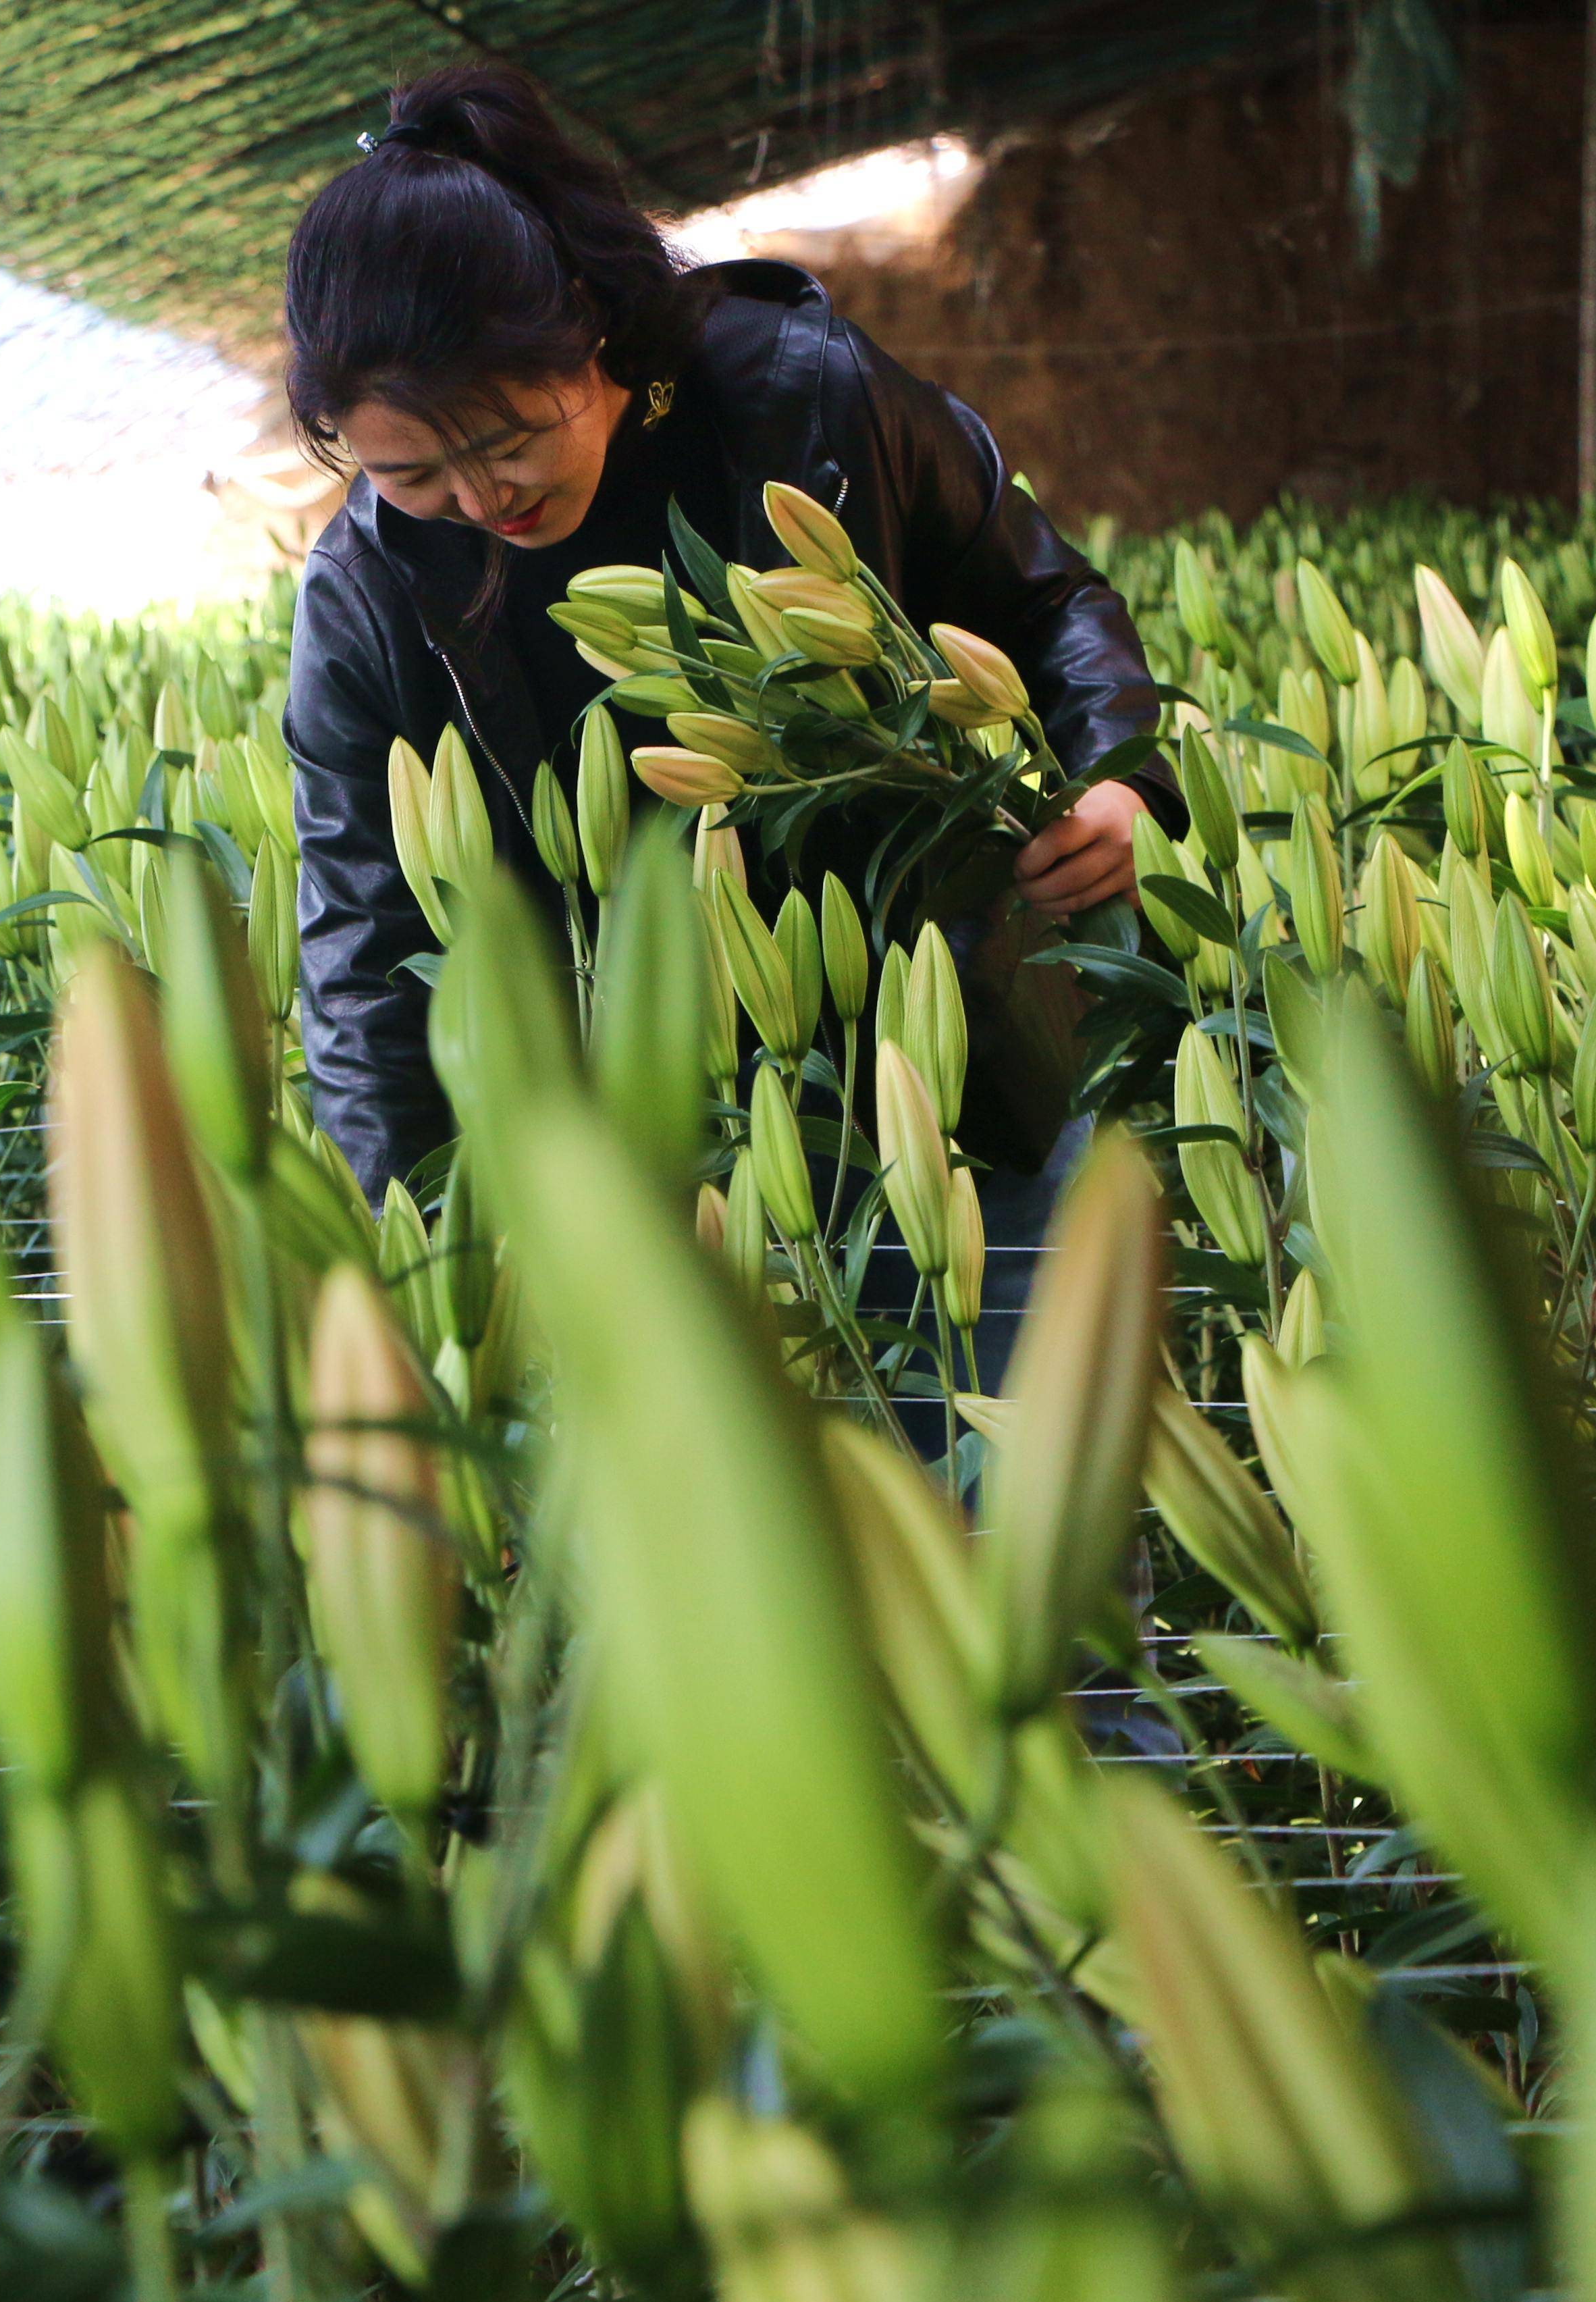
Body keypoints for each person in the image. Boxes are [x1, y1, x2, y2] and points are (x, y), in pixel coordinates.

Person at [276, 61, 1179, 1391]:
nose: (477, 497)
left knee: (1022, 1489)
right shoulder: (365, 602)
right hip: (649, 1141)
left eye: (508, 437)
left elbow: (1044, 601)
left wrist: (1114, 778)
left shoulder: (806, 401)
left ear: (587, 330)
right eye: (410, 472)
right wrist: (429, 1268)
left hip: (950, 1062)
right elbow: (366, 946)